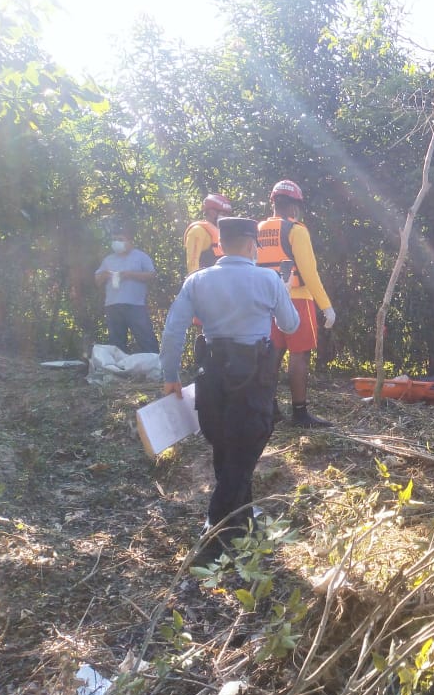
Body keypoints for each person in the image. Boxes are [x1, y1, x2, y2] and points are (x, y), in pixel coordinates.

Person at [159, 217, 299, 559]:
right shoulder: (268, 279)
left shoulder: (197, 280)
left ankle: (243, 518)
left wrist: (170, 374)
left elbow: (173, 330)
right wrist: (282, 286)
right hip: (253, 378)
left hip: (212, 376)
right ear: (252, 245)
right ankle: (214, 526)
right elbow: (290, 324)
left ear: (220, 244)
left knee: (225, 445)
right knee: (245, 446)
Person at [257, 179, 337, 428]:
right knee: (299, 355)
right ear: (294, 206)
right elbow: (309, 273)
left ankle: (270, 410)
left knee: (273, 354)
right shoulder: (296, 230)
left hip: (266, 302)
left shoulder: (256, 229)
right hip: (298, 300)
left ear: (273, 202)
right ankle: (300, 413)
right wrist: (326, 306)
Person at [94, 226, 159, 354]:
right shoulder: (108, 259)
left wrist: (130, 274)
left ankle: (155, 368)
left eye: (120, 239)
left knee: (145, 338)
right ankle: (119, 370)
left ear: (130, 241)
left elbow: (152, 275)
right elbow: (97, 281)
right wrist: (106, 274)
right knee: (116, 342)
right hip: (113, 305)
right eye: (114, 240)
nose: (116, 242)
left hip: (135, 305)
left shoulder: (141, 256)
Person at [184, 193, 233, 274]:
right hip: (205, 281)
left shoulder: (220, 231)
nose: (225, 217)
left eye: (227, 214)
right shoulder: (197, 230)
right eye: (223, 214)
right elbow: (192, 262)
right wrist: (197, 283)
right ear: (211, 212)